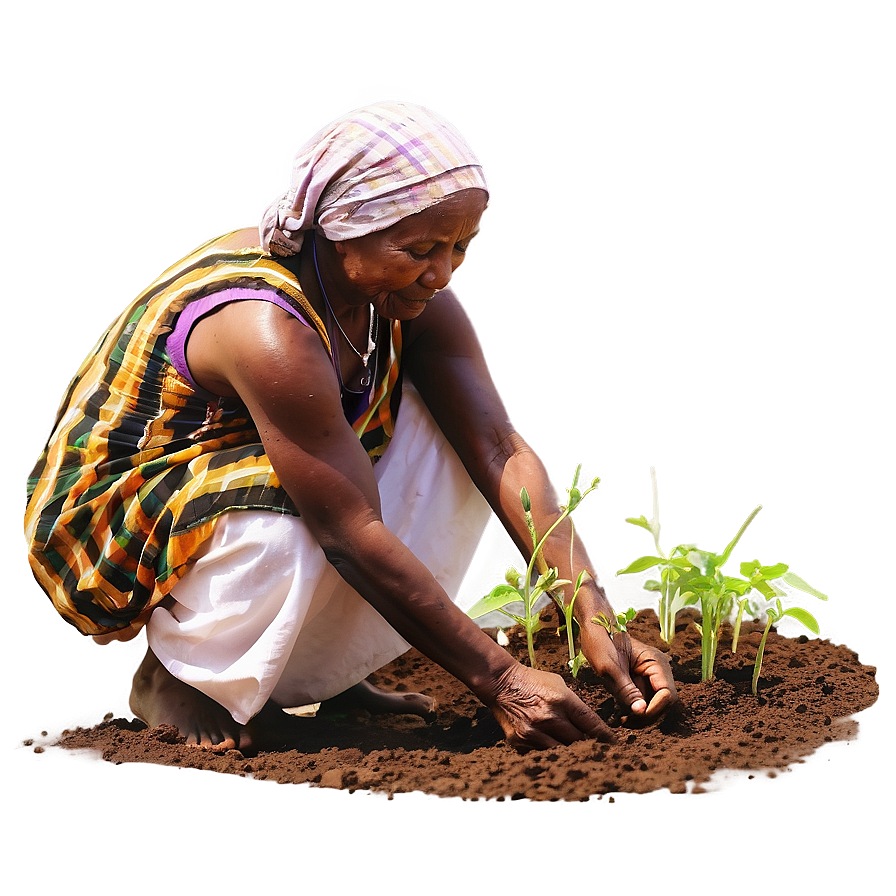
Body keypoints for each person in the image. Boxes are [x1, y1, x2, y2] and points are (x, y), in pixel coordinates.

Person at [24, 99, 675, 754]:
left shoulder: (406, 300)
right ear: (341, 230)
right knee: (301, 506)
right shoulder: (266, 326)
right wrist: (502, 680)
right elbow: (348, 530)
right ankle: (177, 681)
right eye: (419, 249)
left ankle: (317, 679)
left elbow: (497, 444)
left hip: (259, 469)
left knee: (450, 444)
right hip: (123, 509)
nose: (443, 273)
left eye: (460, 247)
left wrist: (589, 603)